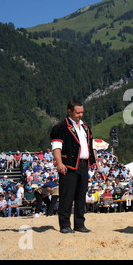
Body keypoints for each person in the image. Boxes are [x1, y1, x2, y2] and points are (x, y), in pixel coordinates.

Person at [50, 100, 99, 233]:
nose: (80, 115)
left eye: (82, 112)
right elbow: (56, 147)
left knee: (81, 195)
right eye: (77, 112)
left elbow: (91, 145)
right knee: (67, 196)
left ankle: (79, 224)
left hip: (83, 165)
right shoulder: (60, 127)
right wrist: (59, 163)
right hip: (69, 165)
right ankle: (65, 225)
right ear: (69, 111)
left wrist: (95, 161)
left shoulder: (85, 127)